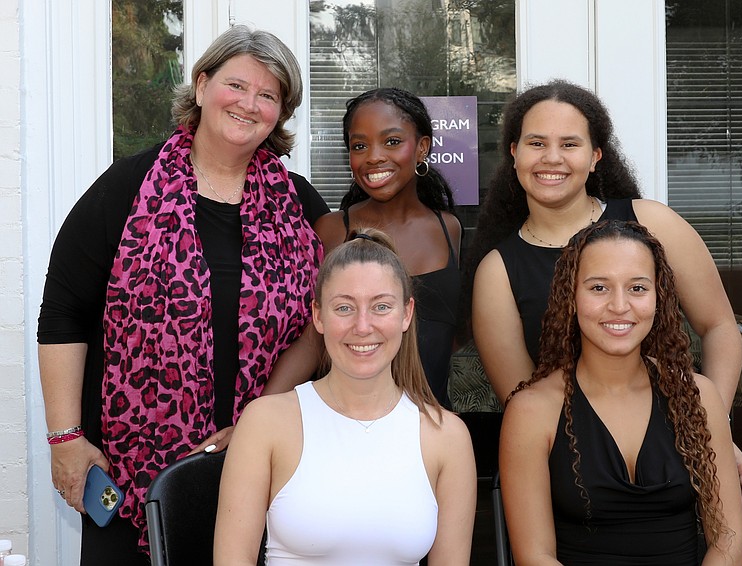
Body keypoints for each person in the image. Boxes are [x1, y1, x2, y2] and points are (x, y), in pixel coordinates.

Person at [36, 25, 325, 564]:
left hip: (262, 467)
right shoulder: (126, 188)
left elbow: (323, 322)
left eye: (268, 95)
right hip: (127, 475)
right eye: (236, 85)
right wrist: (65, 439)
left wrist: (254, 421)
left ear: (282, 113)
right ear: (200, 85)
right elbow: (63, 316)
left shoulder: (300, 206)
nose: (248, 104)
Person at [466, 80, 742, 508]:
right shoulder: (497, 271)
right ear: (513, 152)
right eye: (536, 142)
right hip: (579, 470)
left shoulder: (653, 223)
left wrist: (713, 431)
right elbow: (523, 399)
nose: (552, 158)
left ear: (596, 155)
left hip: (681, 446)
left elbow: (720, 326)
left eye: (570, 143)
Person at [214, 228, 477, 566]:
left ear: (407, 314)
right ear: (318, 316)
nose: (363, 326)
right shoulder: (265, 422)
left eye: (381, 306)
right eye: (344, 308)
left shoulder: (447, 437)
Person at [500, 220, 742, 565]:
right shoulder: (532, 410)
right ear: (570, 296)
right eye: (599, 288)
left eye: (637, 288)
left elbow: (728, 541)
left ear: (658, 297)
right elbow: (534, 556)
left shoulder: (698, 396)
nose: (620, 305)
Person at [315, 87, 462, 408]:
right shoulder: (330, 230)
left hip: (432, 424)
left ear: (422, 148)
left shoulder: (449, 229)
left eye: (392, 141)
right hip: (346, 423)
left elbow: (455, 336)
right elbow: (312, 339)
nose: (374, 156)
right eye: (359, 145)